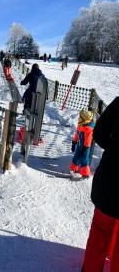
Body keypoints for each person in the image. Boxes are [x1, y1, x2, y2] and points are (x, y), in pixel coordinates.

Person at [82, 97, 119, 272]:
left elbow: (99, 134)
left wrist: (113, 147)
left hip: (110, 180)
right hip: (109, 181)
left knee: (100, 231)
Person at [70, 110, 95, 179]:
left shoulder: (88, 128)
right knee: (76, 156)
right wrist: (74, 142)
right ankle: (74, 168)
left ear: (84, 118)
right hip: (79, 144)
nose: (79, 118)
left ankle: (85, 174)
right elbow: (77, 134)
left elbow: (88, 139)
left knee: (84, 159)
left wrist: (86, 147)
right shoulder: (80, 124)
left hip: (85, 146)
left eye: (80, 117)